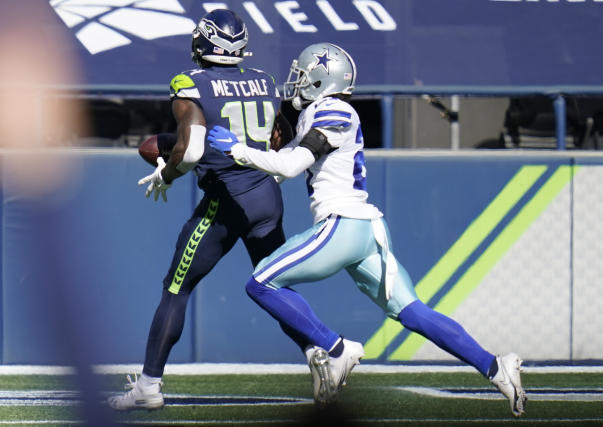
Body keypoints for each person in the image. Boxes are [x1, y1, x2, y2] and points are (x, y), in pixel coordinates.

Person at [207, 42, 527, 417]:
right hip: (366, 230)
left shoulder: (333, 110)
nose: (297, 83)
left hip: (344, 225)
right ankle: (495, 366)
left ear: (321, 80)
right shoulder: (320, 112)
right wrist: (241, 154)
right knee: (413, 312)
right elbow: (280, 166)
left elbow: (292, 166)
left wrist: (238, 151)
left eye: (304, 76)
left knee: (260, 283)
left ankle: (337, 348)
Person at [107, 9, 303, 410]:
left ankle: (148, 387)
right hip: (266, 195)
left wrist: (168, 173)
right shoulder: (264, 81)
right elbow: (280, 136)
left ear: (202, 42)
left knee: (176, 288)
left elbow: (193, 149)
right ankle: (325, 352)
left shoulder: (191, 83)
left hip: (225, 201)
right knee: (277, 286)